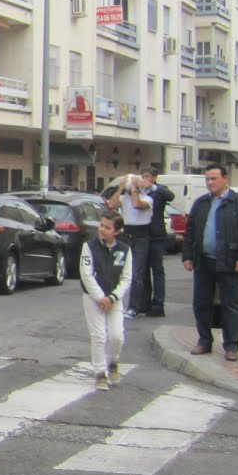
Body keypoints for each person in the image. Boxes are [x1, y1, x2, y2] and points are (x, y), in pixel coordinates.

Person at [181, 164, 238, 362]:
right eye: (207, 179)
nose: (209, 182)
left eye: (213, 178)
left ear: (225, 179)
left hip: (229, 262)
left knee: (230, 306)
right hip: (203, 261)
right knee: (201, 304)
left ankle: (231, 346)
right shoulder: (201, 203)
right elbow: (190, 231)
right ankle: (204, 341)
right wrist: (187, 256)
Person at [80, 212, 132, 391]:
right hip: (93, 298)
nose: (102, 229)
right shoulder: (89, 247)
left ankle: (113, 362)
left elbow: (126, 277)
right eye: (101, 225)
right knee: (99, 336)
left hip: (114, 299)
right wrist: (100, 297)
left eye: (107, 227)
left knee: (117, 336)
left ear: (116, 232)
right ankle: (100, 373)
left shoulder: (125, 250)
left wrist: (112, 298)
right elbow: (86, 274)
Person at [114, 172, 154, 318]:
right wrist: (120, 188)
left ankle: (134, 307)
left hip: (141, 238)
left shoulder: (148, 199)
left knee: (136, 274)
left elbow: (137, 205)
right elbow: (111, 205)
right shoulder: (124, 198)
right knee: (120, 271)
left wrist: (133, 188)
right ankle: (118, 303)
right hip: (126, 236)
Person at [137, 166, 174, 318]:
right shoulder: (139, 191)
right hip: (141, 234)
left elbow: (170, 196)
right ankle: (144, 303)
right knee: (143, 270)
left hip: (156, 235)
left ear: (154, 178)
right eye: (143, 176)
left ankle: (158, 304)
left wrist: (152, 187)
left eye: (147, 176)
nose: (144, 179)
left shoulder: (160, 190)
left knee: (157, 270)